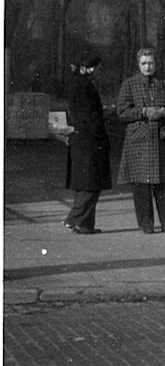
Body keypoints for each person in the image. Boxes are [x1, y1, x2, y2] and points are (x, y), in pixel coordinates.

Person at [115, 46, 165, 234]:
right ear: (138, 65)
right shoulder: (129, 84)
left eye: (151, 63)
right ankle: (146, 224)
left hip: (162, 141)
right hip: (139, 141)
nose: (148, 67)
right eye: (144, 63)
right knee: (141, 185)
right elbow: (121, 112)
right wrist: (143, 112)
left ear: (156, 64)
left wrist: (164, 111)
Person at [62, 51, 111, 235]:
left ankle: (85, 225)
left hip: (82, 141)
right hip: (90, 141)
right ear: (88, 68)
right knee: (92, 184)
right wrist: (100, 132)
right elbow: (88, 116)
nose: (99, 71)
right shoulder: (84, 87)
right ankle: (73, 219)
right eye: (97, 68)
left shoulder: (78, 85)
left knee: (86, 183)